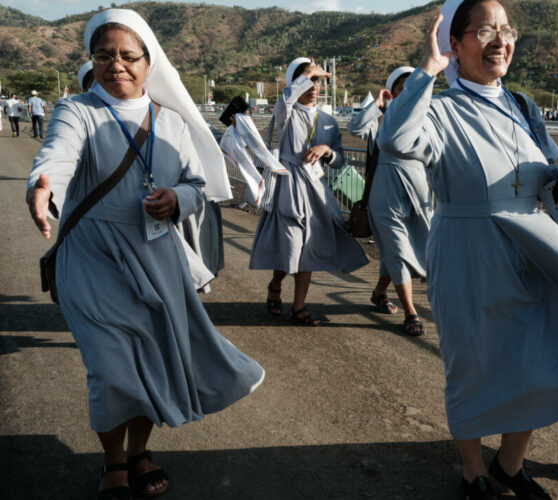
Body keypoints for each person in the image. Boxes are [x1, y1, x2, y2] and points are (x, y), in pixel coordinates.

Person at [377, 1, 558, 498]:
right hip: (469, 252)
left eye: (506, 30)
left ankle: (508, 463)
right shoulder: (439, 110)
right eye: (483, 31)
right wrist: (428, 69)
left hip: (532, 249)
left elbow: (543, 181)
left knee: (534, 362)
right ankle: (472, 473)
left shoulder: (522, 106)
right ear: (455, 45)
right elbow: (395, 140)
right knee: (472, 364)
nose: (499, 40)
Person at [25, 9, 263, 499]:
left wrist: (178, 199)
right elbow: (58, 154)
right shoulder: (77, 110)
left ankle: (138, 451)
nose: (116, 65)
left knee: (153, 360)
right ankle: (113, 459)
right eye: (104, 55)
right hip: (92, 257)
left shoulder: (171, 122)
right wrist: (43, 184)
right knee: (111, 366)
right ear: (91, 61)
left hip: (156, 257)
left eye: (127, 56)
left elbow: (197, 186)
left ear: (148, 62)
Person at [250, 56, 368, 325]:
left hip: (316, 190)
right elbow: (284, 102)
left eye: (316, 80)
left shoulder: (328, 120)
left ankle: (298, 307)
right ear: (295, 82)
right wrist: (305, 75)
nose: (313, 84)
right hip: (288, 187)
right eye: (306, 79)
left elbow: (340, 160)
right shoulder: (286, 114)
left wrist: (326, 151)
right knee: (290, 247)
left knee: (309, 250)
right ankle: (276, 283)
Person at [347, 66, 433, 336]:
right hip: (384, 194)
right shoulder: (379, 120)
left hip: (419, 193)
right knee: (396, 249)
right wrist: (376, 103)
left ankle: (379, 292)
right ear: (392, 91)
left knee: (399, 249)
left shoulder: (425, 119)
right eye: (401, 87)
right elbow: (355, 127)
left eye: (413, 86)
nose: (407, 91)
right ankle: (411, 312)